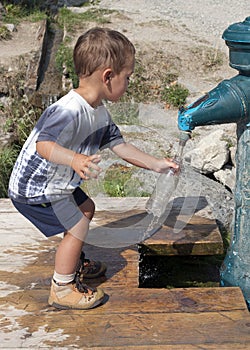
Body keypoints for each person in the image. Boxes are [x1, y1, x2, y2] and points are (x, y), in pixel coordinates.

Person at [8, 27, 179, 310]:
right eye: (128, 77)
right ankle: (62, 287)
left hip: (56, 183)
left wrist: (157, 164)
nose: (129, 83)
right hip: (35, 187)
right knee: (77, 224)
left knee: (86, 208)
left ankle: (74, 262)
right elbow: (44, 145)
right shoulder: (69, 110)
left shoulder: (98, 111)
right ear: (108, 76)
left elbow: (120, 146)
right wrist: (75, 159)